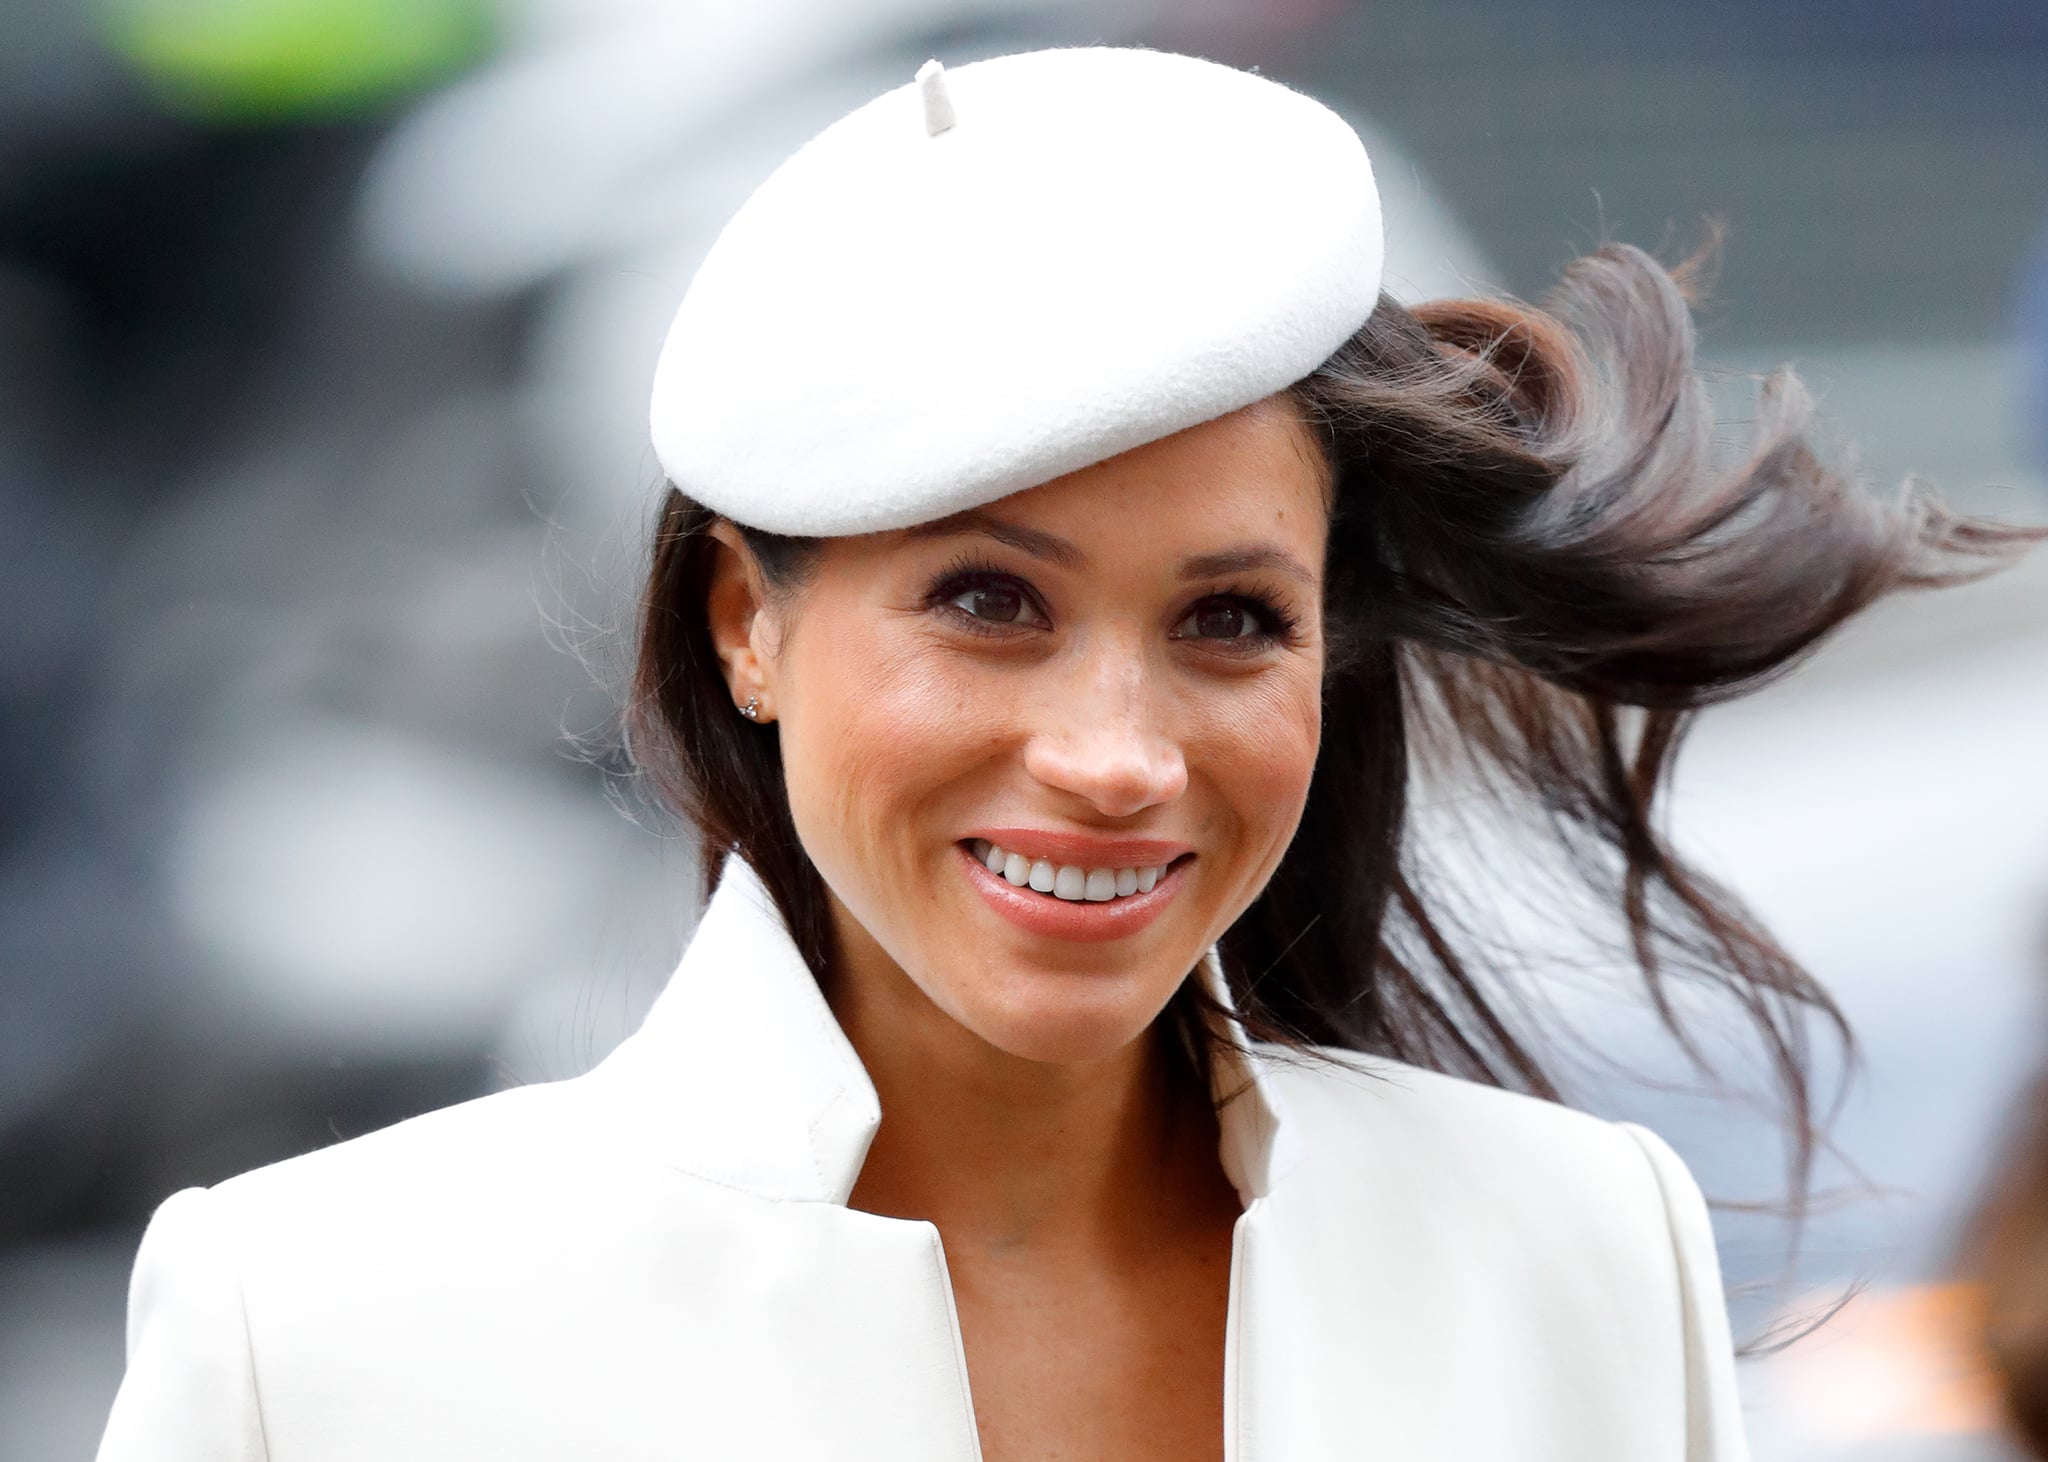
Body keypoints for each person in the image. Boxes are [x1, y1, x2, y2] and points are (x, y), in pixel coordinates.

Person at [96, 46, 2039, 1462]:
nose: (1115, 755)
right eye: (988, 603)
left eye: (1227, 619)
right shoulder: (322, 1319)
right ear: (740, 624)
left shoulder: (1573, 1245)